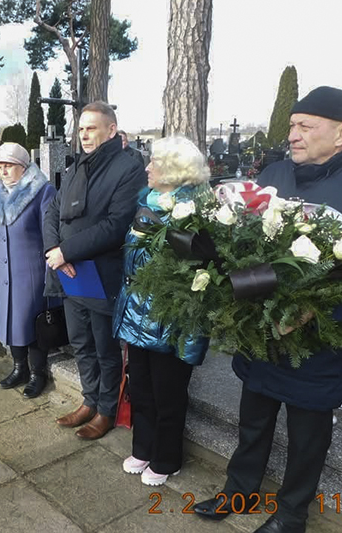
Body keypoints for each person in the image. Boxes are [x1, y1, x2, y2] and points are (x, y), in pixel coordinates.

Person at [193, 87, 342, 533]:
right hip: (262, 331)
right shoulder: (274, 174)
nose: (293, 135)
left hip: (319, 341)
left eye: (305, 126)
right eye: (292, 125)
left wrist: (312, 309)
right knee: (253, 418)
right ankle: (240, 488)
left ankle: (291, 513)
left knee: (308, 435)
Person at [44, 102, 147, 440]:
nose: (84, 134)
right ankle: (89, 401)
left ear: (111, 131)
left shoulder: (126, 168)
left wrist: (65, 251)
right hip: (70, 272)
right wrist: (53, 251)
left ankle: (106, 410)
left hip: (102, 273)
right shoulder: (76, 168)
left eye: (92, 128)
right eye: (82, 129)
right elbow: (53, 212)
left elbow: (116, 224)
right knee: (81, 343)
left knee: (105, 348)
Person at [113, 136, 212, 486]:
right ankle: (143, 447)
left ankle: (167, 458)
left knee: (167, 392)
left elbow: (196, 271)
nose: (147, 168)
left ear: (175, 170)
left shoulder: (195, 211)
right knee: (140, 386)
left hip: (170, 319)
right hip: (138, 313)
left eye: (154, 163)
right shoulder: (148, 201)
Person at [0, 143, 56, 399]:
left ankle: (37, 373)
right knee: (9, 321)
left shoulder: (41, 191)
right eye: (0, 167)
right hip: (3, 273)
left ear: (24, 166)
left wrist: (51, 274)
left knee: (30, 324)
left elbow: (50, 235)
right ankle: (18, 367)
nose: (3, 171)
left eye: (8, 166)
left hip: (30, 272)